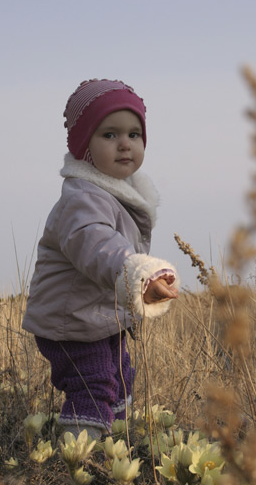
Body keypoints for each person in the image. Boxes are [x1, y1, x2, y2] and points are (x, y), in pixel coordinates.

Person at [22, 79, 179, 440]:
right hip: (73, 323)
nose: (125, 143)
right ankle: (80, 463)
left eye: (134, 134)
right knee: (92, 385)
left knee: (121, 375)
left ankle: (115, 442)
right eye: (109, 134)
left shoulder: (119, 195)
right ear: (84, 147)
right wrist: (140, 274)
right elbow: (96, 244)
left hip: (99, 318)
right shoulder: (83, 198)